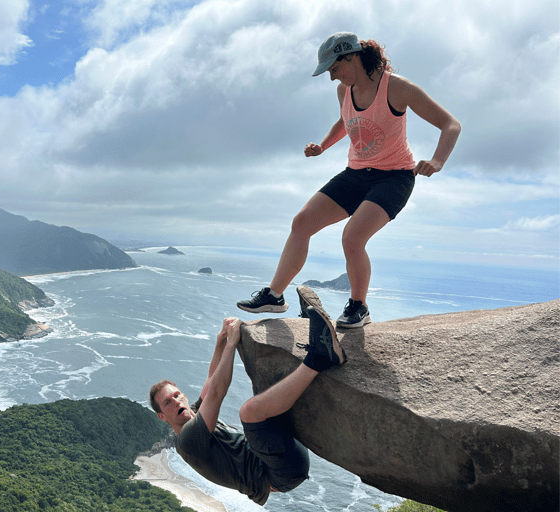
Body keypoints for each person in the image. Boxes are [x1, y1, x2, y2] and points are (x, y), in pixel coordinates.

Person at [237, 32, 461, 328]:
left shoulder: (397, 88)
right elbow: (346, 121)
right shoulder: (345, 90)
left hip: (394, 178)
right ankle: (274, 296)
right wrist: (323, 146)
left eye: (334, 68)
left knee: (353, 237)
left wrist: (437, 160)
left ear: (351, 57)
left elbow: (451, 124)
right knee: (301, 222)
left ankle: (359, 307)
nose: (332, 78)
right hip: (356, 174)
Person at [149, 286, 346, 505]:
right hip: (279, 474)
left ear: (184, 396)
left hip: (279, 455)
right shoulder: (187, 442)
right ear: (162, 416)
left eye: (177, 395)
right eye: (167, 402)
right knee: (249, 412)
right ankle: (320, 356)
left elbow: (211, 380)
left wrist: (221, 339)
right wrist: (232, 344)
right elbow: (216, 393)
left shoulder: (193, 414)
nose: (176, 401)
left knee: (267, 391)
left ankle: (309, 330)